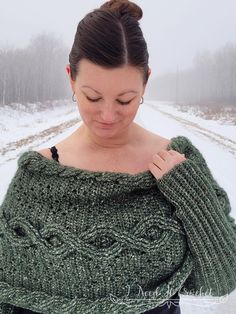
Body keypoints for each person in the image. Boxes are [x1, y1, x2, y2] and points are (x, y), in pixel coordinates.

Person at [0, 0, 236, 313]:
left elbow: (221, 278)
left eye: (125, 100)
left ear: (146, 81)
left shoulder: (177, 163)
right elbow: (10, 294)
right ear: (71, 78)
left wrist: (193, 196)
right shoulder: (38, 176)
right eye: (92, 97)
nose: (108, 116)